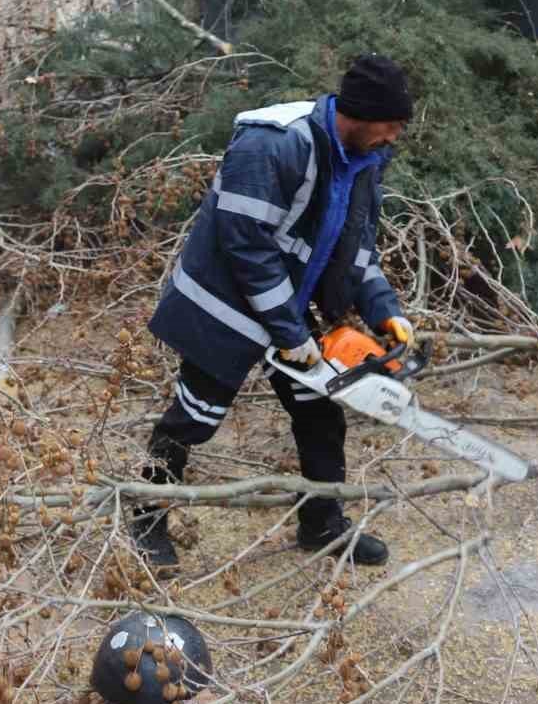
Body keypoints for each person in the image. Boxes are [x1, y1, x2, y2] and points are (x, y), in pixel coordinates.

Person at [134, 55, 416, 573]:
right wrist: (290, 332)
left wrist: (384, 311)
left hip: (286, 303)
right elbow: (246, 246)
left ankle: (322, 524)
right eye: (390, 126)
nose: (393, 138)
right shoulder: (273, 143)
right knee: (194, 418)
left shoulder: (364, 161)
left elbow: (358, 248)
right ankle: (145, 519)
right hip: (226, 306)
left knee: (320, 415)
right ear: (361, 113)